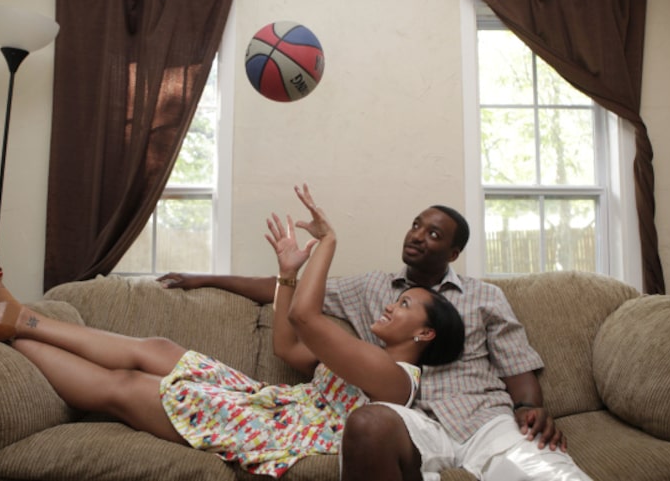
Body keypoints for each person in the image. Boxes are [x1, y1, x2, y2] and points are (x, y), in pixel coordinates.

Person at [0, 184, 465, 479]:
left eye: (404, 306)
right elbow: (287, 343)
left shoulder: (397, 382)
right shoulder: (363, 359)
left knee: (127, 388)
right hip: (270, 402)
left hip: (277, 431)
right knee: (159, 349)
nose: (391, 305)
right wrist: (287, 271)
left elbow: (306, 319)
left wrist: (327, 243)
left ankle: (11, 330)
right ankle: (18, 319)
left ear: (424, 337)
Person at [159, 192, 594, 481]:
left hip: (484, 421)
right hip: (410, 420)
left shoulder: (485, 296)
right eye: (416, 226)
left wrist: (530, 407)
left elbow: (517, 365)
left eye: (434, 234)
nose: (418, 237)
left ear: (454, 253)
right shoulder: (372, 289)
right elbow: (288, 295)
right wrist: (206, 277)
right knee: (367, 425)